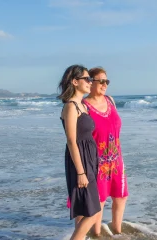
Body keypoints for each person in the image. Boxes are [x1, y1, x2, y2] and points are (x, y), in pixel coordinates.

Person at [83, 67, 128, 236]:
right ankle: (97, 234)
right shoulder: (83, 106)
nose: (104, 84)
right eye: (100, 81)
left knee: (121, 195)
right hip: (97, 161)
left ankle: (117, 232)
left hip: (116, 158)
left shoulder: (110, 100)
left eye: (106, 81)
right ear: (90, 82)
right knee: (99, 200)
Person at [58, 64, 101, 240]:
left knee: (86, 210)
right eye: (87, 79)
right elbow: (71, 141)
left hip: (89, 160)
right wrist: (81, 172)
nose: (90, 82)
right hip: (80, 162)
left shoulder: (82, 105)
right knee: (93, 211)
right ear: (75, 82)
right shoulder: (71, 107)